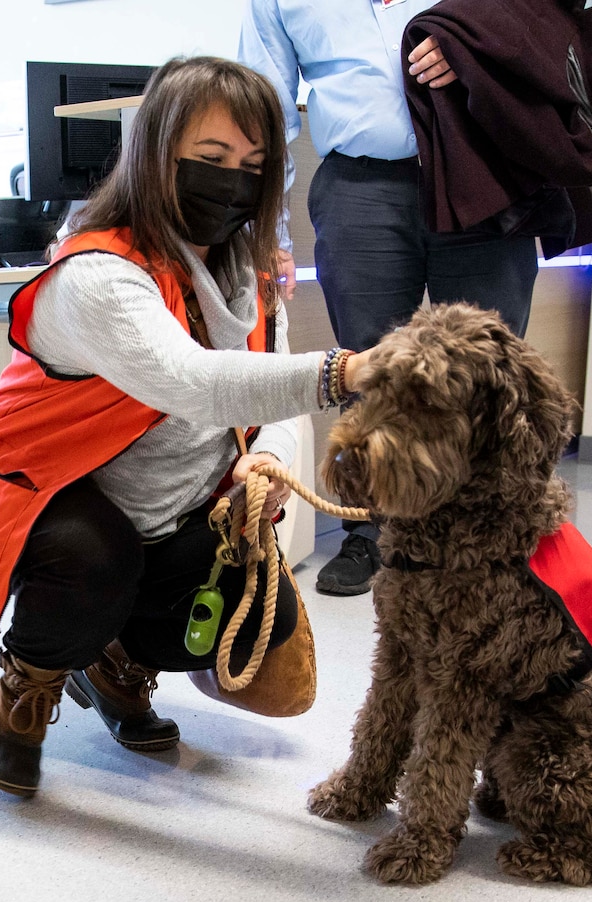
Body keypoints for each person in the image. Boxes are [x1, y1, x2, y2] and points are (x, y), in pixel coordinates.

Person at [0, 57, 371, 797]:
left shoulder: (252, 274)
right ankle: (26, 691)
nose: (234, 182)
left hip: (182, 510)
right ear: (155, 155)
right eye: (212, 159)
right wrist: (348, 372)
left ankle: (113, 662)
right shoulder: (98, 275)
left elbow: (278, 399)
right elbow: (192, 382)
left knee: (275, 669)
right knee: (96, 557)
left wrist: (266, 462)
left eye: (255, 165)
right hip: (53, 501)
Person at [240, 0, 541, 597]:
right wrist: (268, 234)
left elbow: (548, 27)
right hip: (360, 184)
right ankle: (375, 533)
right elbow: (265, 113)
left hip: (481, 170)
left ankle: (498, 532)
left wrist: (480, 58)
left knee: (492, 368)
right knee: (369, 366)